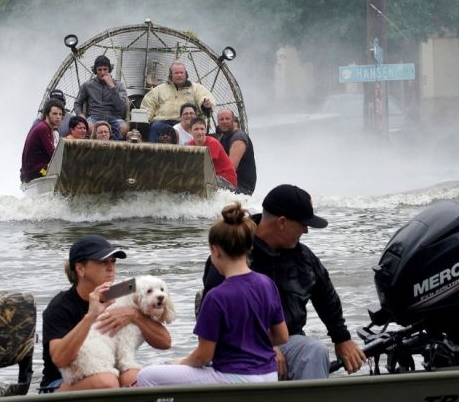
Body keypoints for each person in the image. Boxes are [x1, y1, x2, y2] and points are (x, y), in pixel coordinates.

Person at [201, 184, 368, 380]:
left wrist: (342, 339)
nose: (306, 231)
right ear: (282, 222)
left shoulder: (304, 257)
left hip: (289, 341)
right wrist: (264, 346)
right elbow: (215, 312)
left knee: (315, 351)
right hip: (238, 346)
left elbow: (326, 297)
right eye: (303, 224)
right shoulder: (234, 250)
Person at [138, 203, 287, 386]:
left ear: (215, 251)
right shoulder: (267, 284)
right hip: (268, 375)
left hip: (234, 378)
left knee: (147, 375)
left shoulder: (217, 296)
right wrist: (250, 342)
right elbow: (281, 336)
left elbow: (203, 356)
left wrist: (181, 363)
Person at [41, 235, 172, 392]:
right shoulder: (60, 305)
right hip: (59, 382)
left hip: (111, 369)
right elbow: (60, 360)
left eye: (113, 262)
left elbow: (165, 343)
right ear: (81, 269)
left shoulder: (124, 290)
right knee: (107, 382)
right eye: (103, 262)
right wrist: (90, 317)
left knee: (140, 378)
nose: (111, 268)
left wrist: (134, 315)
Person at [142, 61, 215, 142]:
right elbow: (147, 105)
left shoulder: (196, 88)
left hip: (186, 122)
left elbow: (205, 97)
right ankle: (152, 152)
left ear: (186, 74)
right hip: (162, 122)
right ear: (171, 75)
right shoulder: (159, 90)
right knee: (155, 126)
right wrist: (145, 120)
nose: (179, 75)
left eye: (181, 73)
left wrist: (205, 104)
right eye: (176, 73)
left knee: (191, 128)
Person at [74, 55, 129, 140]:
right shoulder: (87, 85)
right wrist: (80, 115)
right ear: (95, 71)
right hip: (94, 117)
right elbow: (77, 103)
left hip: (114, 117)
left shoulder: (118, 85)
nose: (102, 72)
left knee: (125, 127)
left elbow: (122, 107)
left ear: (109, 70)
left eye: (105, 69)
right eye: (99, 70)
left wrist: (112, 87)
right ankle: (95, 147)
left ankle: (113, 144)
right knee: (88, 126)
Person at [21, 98, 64, 183]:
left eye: (60, 114)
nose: (58, 117)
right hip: (35, 172)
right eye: (54, 114)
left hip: (34, 170)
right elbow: (53, 155)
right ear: (47, 114)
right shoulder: (43, 128)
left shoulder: (46, 128)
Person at [216, 107, 257, 196]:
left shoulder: (238, 139)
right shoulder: (223, 137)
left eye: (227, 118)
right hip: (230, 183)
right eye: (221, 119)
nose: (224, 121)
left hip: (242, 188)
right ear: (218, 122)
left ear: (233, 121)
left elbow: (230, 169)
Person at [188, 118, 237, 188]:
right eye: (196, 129)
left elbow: (205, 167)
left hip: (227, 180)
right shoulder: (190, 144)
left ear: (205, 130)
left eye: (202, 129)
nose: (199, 132)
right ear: (190, 131)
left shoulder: (213, 143)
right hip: (212, 177)